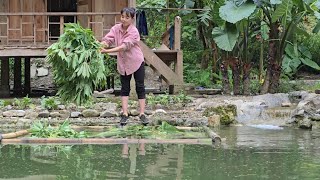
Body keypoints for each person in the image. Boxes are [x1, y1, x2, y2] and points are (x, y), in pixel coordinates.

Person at [100, 7, 148, 126]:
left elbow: (124, 46)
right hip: (123, 63)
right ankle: (125, 113)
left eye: (127, 17)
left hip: (136, 61)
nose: (124, 19)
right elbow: (108, 39)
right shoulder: (116, 29)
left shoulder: (134, 31)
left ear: (132, 19)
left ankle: (142, 113)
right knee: (124, 88)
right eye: (122, 17)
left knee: (140, 87)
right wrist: (101, 45)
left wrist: (106, 52)